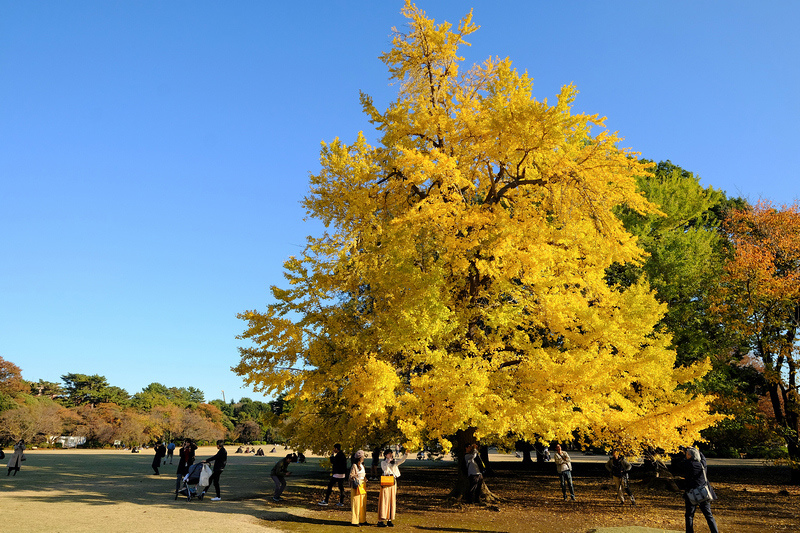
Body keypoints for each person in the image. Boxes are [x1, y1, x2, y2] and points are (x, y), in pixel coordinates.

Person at [682, 447, 719, 533]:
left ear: (690, 456)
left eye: (687, 454)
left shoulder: (688, 464)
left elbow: (682, 463)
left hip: (692, 493)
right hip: (703, 492)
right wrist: (697, 450)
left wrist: (686, 451)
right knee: (709, 515)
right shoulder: (702, 464)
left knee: (689, 515)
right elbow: (703, 458)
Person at [377, 448, 407, 528]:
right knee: (385, 500)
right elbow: (385, 471)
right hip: (386, 483)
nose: (391, 455)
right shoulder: (383, 462)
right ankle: (380, 520)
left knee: (391, 500)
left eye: (391, 453)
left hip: (393, 483)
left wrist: (406, 454)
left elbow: (401, 461)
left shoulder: (394, 462)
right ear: (386, 455)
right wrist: (388, 462)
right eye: (389, 454)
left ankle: (389, 519)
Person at [349, 450, 368, 526]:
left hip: (363, 485)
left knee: (363, 503)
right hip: (357, 486)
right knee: (356, 503)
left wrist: (365, 478)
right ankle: (355, 521)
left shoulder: (362, 465)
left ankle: (362, 519)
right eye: (362, 456)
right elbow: (351, 476)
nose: (363, 458)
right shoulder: (354, 465)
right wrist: (356, 478)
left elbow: (363, 474)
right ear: (359, 457)